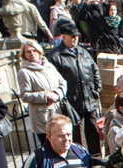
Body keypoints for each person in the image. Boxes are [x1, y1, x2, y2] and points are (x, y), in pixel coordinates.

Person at [47, 19, 102, 155]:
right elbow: (54, 80)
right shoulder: (55, 56)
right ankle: (79, 156)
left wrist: (97, 89)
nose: (75, 39)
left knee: (93, 129)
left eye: (77, 36)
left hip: (89, 97)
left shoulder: (83, 52)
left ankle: (95, 157)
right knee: (76, 132)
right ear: (63, 36)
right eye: (72, 36)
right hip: (72, 100)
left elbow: (95, 70)